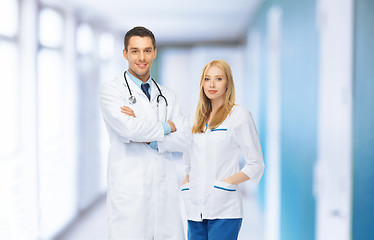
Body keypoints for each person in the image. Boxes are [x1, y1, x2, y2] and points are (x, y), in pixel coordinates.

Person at [99, 26, 191, 240]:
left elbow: (185, 139)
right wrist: (168, 126)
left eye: (147, 50)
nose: (142, 57)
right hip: (130, 192)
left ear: (154, 52)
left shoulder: (168, 95)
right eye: (135, 51)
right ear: (125, 53)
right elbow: (127, 129)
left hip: (164, 192)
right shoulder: (111, 91)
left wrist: (152, 139)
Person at [181, 60, 265, 240]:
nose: (211, 84)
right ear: (202, 83)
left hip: (225, 209)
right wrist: (186, 185)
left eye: (218, 79)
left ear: (228, 83)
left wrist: (224, 184)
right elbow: (187, 163)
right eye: (207, 79)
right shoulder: (196, 119)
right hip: (195, 209)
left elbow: (256, 164)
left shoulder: (239, 115)